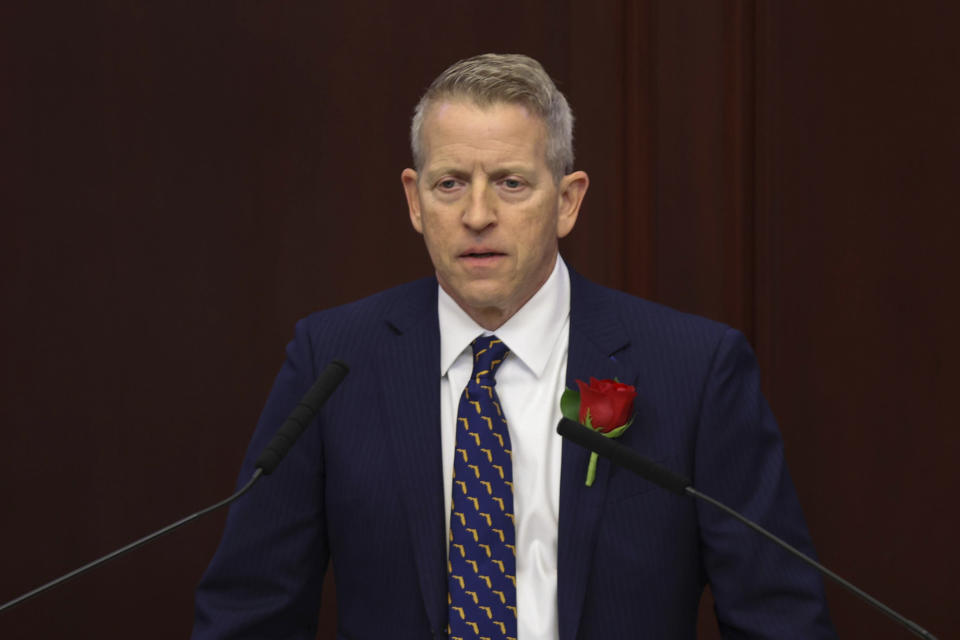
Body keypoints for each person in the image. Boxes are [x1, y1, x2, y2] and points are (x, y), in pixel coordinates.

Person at [192, 53, 835, 639]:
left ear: (567, 201)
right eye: (450, 185)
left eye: (510, 183)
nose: (476, 214)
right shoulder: (332, 360)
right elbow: (250, 615)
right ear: (415, 201)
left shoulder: (695, 370)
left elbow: (780, 621)